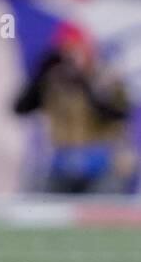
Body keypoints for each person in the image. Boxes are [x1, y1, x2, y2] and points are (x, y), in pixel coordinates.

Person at [13, 24, 134, 194]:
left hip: (102, 163)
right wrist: (41, 73)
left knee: (100, 211)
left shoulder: (106, 79)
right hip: (62, 162)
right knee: (43, 205)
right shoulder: (53, 83)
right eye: (65, 52)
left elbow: (117, 114)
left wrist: (86, 83)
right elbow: (20, 109)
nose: (70, 58)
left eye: (75, 51)